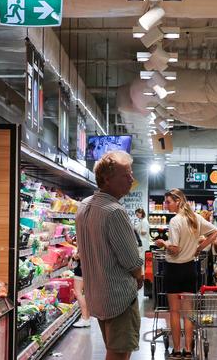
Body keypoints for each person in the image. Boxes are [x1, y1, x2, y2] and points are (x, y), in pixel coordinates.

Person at [76, 151, 144, 360]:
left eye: (131, 174)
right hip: (119, 297)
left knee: (111, 348)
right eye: (126, 175)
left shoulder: (84, 206)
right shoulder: (114, 211)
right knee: (119, 354)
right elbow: (131, 261)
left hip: (97, 295)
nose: (131, 179)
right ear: (107, 179)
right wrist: (139, 277)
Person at [155, 188, 217, 359]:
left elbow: (175, 249)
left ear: (178, 201)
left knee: (174, 312)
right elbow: (215, 232)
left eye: (168, 202)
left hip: (174, 270)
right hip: (190, 269)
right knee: (188, 312)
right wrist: (199, 248)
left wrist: (163, 243)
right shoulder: (195, 218)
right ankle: (189, 350)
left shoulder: (176, 221)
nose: (166, 205)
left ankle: (177, 350)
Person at [69, 252, 91, 328]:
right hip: (89, 269)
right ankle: (87, 317)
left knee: (78, 293)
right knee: (86, 294)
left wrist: (73, 257)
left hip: (80, 270)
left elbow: (70, 266)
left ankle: (84, 318)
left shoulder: (83, 241)